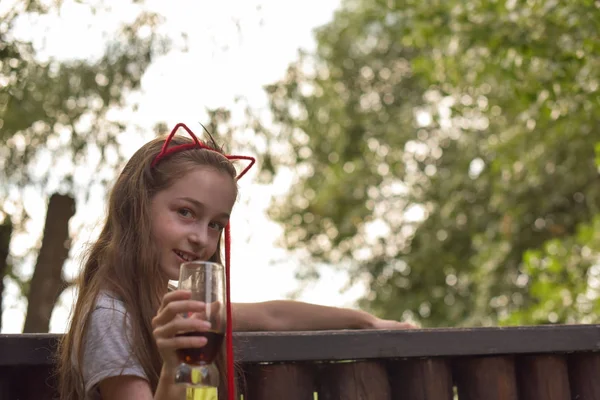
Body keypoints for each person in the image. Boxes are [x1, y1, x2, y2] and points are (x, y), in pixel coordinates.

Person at [57, 123, 414, 400]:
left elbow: (274, 316)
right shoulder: (112, 316)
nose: (201, 236)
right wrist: (176, 365)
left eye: (215, 224)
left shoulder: (174, 308)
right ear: (135, 206)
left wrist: (366, 322)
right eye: (185, 212)